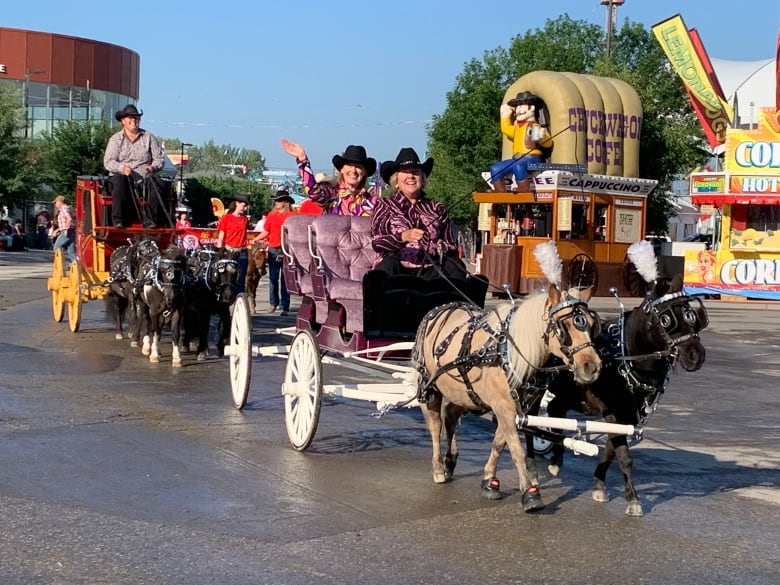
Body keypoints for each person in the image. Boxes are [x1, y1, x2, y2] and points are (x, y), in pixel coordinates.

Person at [370, 148, 468, 282]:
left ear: (422, 179)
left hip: (431, 269)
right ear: (396, 180)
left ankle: (455, 302)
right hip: (397, 267)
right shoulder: (385, 205)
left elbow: (451, 244)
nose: (411, 176)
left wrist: (443, 246)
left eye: (415, 172)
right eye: (405, 172)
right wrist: (404, 236)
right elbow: (377, 243)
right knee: (385, 269)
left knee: (455, 266)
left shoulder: (437, 208)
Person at [103, 104, 165, 228]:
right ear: (123, 121)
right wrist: (122, 168)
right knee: (120, 180)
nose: (134, 121)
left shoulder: (149, 137)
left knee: (157, 182)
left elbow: (159, 159)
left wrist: (152, 167)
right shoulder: (116, 139)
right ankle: (118, 220)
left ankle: (150, 220)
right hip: (122, 178)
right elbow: (108, 162)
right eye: (130, 118)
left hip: (144, 179)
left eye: (136, 118)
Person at [280, 139, 378, 216]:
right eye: (349, 165)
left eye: (358, 167)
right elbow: (314, 193)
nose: (353, 170)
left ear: (364, 172)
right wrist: (302, 159)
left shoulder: (373, 202)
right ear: (342, 169)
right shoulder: (332, 194)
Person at [488, 91, 553, 192]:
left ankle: (524, 189)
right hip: (516, 159)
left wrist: (541, 138)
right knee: (495, 168)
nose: (518, 110)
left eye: (521, 106)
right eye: (517, 107)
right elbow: (505, 129)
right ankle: (500, 192)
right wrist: (504, 116)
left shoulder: (534, 125)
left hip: (531, 158)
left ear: (531, 108)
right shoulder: (517, 128)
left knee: (518, 165)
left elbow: (548, 143)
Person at [251, 188, 295, 315]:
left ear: (285, 202)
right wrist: (256, 239)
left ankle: (284, 306)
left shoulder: (293, 216)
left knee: (285, 279)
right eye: (275, 200)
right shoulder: (271, 215)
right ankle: (273, 303)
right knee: (273, 278)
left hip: (287, 250)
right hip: (273, 249)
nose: (276, 202)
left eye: (279, 200)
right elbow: (266, 231)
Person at [215, 193, 252, 294]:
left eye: (246, 206)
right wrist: (219, 250)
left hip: (242, 251)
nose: (244, 208)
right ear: (237, 203)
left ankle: (240, 298)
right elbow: (221, 235)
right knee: (226, 276)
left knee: (241, 277)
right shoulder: (226, 218)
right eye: (243, 206)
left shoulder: (245, 220)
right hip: (228, 250)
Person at [52, 195, 77, 262]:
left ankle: (64, 265)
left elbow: (69, 219)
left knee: (57, 247)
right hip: (71, 231)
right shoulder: (67, 208)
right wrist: (57, 230)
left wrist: (66, 229)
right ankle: (77, 265)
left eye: (55, 202)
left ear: (59, 201)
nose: (55, 204)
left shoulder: (64, 209)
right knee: (71, 251)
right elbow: (66, 222)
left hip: (67, 231)